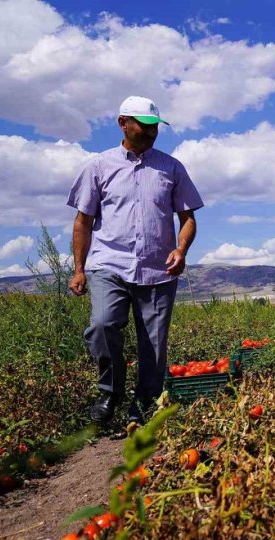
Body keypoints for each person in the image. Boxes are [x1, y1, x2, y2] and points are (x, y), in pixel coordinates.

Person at [67, 95, 204, 428]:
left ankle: (143, 401)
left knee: (154, 344)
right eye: (144, 126)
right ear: (123, 123)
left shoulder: (172, 167)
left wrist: (181, 249)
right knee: (101, 324)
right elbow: (83, 222)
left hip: (159, 269)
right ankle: (109, 392)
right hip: (109, 264)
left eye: (155, 127)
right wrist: (79, 269)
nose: (151, 133)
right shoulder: (98, 166)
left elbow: (188, 218)